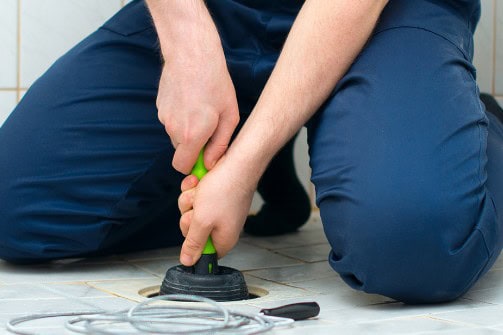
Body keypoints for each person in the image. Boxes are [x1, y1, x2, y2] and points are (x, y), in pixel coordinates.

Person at [0, 0, 502, 304]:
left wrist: (245, 163)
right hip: (216, 9)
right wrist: (186, 43)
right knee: (13, 209)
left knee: (411, 243)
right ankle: (260, 124)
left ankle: (466, 135)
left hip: (385, 13)